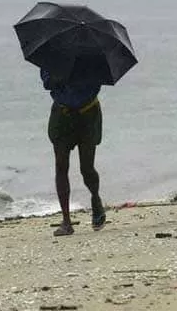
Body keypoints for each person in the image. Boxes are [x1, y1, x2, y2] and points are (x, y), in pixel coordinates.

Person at [40, 67, 106, 236]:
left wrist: (79, 74)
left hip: (88, 113)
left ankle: (95, 198)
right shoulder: (52, 56)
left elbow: (98, 82)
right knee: (61, 167)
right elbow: (47, 83)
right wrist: (63, 72)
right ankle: (66, 221)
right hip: (62, 114)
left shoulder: (93, 55)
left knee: (87, 168)